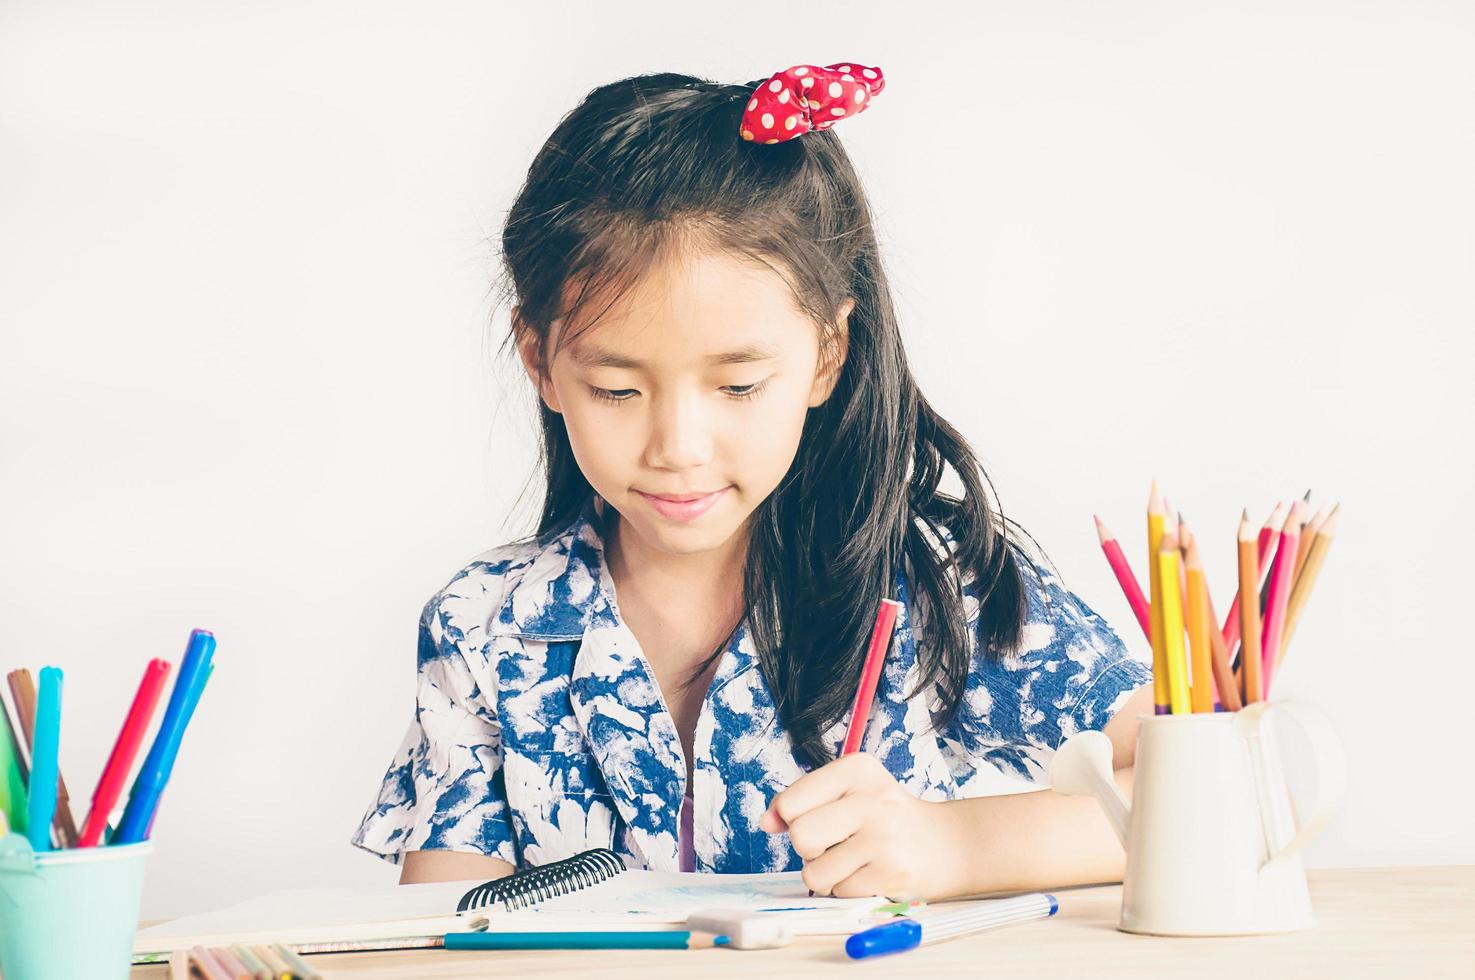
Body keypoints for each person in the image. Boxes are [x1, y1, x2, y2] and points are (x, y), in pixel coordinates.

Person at [351, 62, 1153, 900]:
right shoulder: (484, 626)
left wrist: (959, 850)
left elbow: (1236, 792)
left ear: (827, 354)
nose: (678, 447)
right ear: (540, 364)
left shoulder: (934, 584)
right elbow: (441, 931)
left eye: (736, 387)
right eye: (616, 391)